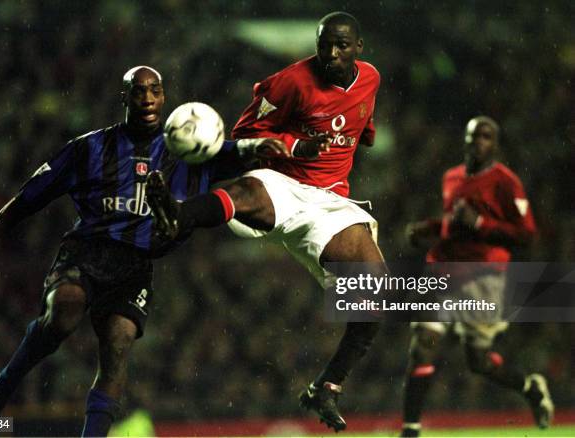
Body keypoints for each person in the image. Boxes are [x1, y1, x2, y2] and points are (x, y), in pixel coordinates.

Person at [0, 65, 285, 437]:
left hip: (135, 266)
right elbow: (27, 200)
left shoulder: (193, 150)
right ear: (125, 98)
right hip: (88, 251)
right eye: (138, 91)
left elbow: (237, 152)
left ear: (165, 97)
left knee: (117, 347)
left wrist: (259, 147)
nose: (147, 98)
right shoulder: (89, 148)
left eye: (155, 90)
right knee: (64, 311)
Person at [146, 12, 385, 432]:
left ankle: (326, 387)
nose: (330, 53)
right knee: (248, 192)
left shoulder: (370, 79)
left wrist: (363, 134)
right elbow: (242, 134)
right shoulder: (290, 82)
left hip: (331, 203)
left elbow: (360, 124)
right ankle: (176, 214)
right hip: (285, 182)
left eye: (341, 46)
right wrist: (295, 146)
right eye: (324, 44)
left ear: (359, 49)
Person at [400, 116, 554, 437]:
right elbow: (451, 223)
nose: (477, 142)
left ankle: (530, 388)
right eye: (472, 136)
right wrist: (427, 229)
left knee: (479, 361)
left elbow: (527, 236)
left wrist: (482, 225)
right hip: (441, 269)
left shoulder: (505, 182)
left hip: (482, 276)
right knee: (423, 342)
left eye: (485, 137)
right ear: (465, 140)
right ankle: (411, 429)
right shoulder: (451, 177)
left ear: (495, 144)